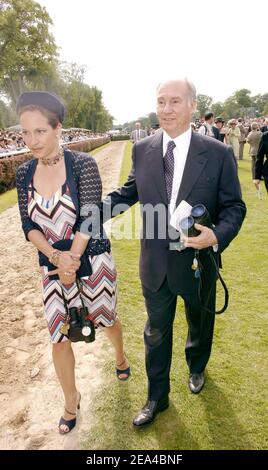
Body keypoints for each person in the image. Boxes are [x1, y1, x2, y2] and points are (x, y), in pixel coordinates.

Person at [102, 78, 246, 427]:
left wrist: (216, 236)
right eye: (161, 102)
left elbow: (234, 208)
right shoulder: (143, 149)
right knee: (156, 332)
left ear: (193, 105)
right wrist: (91, 214)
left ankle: (196, 366)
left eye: (175, 102)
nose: (166, 109)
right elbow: (128, 193)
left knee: (200, 324)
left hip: (198, 263)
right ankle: (157, 397)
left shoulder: (218, 153)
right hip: (155, 264)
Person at [15, 91, 130, 435]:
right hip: (51, 268)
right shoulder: (23, 174)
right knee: (59, 336)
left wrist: (73, 258)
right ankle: (70, 399)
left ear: (57, 129)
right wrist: (55, 257)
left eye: (40, 132)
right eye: (25, 133)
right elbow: (28, 226)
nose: (31, 140)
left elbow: (90, 218)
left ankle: (120, 357)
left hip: (92, 261)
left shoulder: (83, 166)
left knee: (106, 320)